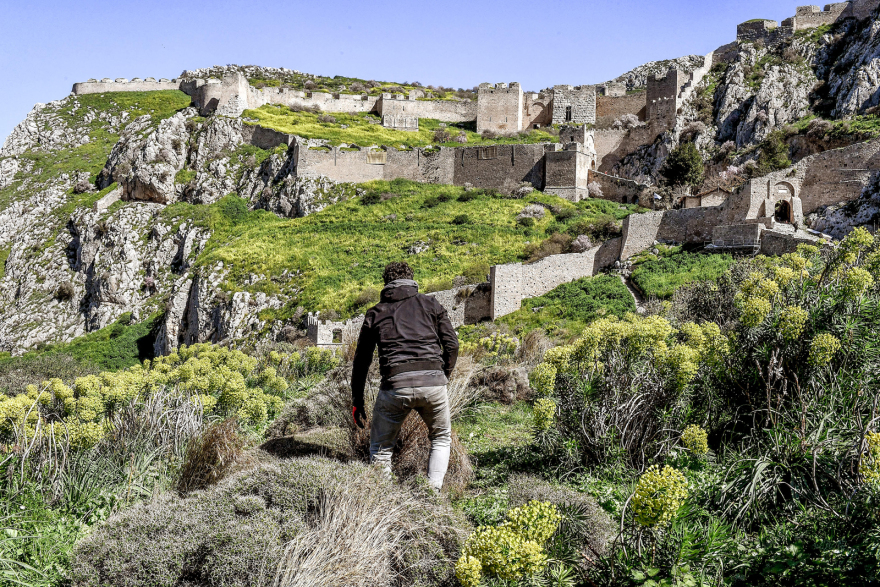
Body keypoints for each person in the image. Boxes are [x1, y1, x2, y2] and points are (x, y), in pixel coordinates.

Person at [350, 261, 459, 491]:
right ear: (412, 279)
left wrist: (357, 402)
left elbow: (361, 361)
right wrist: (442, 376)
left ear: (386, 284)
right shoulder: (431, 304)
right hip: (434, 385)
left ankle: (386, 501)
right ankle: (432, 494)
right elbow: (452, 345)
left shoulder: (375, 313)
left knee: (380, 449)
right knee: (440, 439)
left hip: (394, 386)